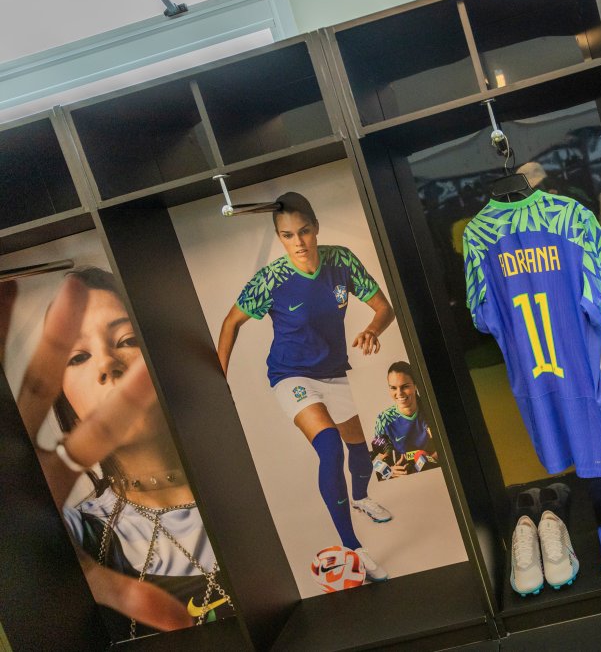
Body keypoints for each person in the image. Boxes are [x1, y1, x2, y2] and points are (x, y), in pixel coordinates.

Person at [14, 268, 228, 641]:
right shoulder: (75, 535)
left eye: (127, 339)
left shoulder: (254, 489)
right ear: (66, 399)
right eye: (78, 357)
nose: (107, 364)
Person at [217, 192, 396, 582]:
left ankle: (362, 498)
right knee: (329, 448)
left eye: (304, 231)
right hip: (290, 375)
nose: (298, 242)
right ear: (279, 238)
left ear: (316, 228)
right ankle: (353, 547)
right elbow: (230, 323)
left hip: (334, 373)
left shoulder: (341, 260)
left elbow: (385, 308)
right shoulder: (272, 280)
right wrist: (219, 381)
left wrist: (371, 330)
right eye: (287, 235)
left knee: (359, 453)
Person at [371, 361, 439, 479]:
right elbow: (378, 462)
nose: (399, 393)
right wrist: (389, 472)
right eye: (393, 388)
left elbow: (446, 448)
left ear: (415, 385)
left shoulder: (431, 410)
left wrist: (427, 462)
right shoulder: (383, 419)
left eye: (405, 386)